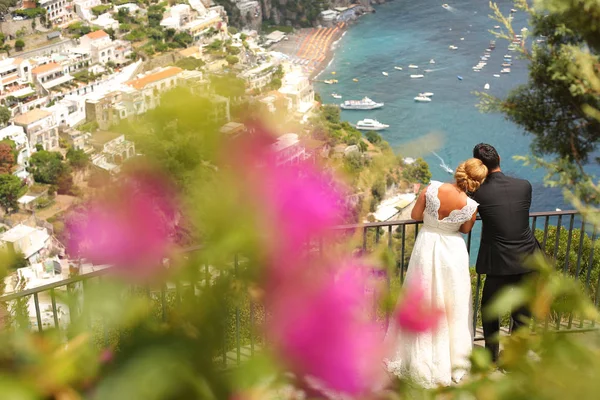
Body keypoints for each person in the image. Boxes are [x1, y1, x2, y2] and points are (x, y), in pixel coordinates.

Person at [385, 158, 488, 388]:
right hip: (453, 254)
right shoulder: (471, 206)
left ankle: (416, 358)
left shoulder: (431, 189)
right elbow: (466, 229)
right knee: (452, 303)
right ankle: (451, 362)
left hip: (426, 246)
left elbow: (415, 215)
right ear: (477, 182)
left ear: (460, 170)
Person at [472, 143, 539, 363]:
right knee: (522, 311)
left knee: (490, 309)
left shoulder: (477, 191)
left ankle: (491, 356)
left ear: (479, 164)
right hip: (527, 257)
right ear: (499, 158)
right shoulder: (524, 185)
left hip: (499, 261)